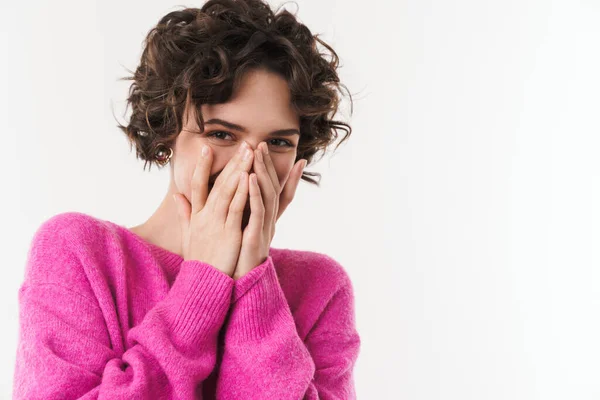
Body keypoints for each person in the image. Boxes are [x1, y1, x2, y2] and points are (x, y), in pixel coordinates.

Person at [12, 0, 360, 398]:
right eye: (221, 134)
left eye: (278, 142)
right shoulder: (80, 252)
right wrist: (203, 283)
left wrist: (254, 282)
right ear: (166, 137)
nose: (248, 165)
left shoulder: (320, 287)